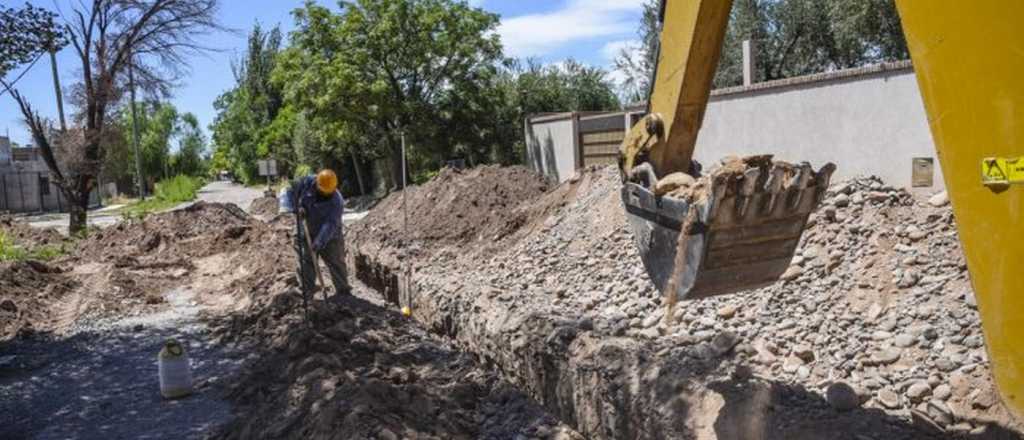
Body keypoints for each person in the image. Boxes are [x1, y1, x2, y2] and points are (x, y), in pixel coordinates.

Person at [282, 169, 350, 298]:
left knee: (336, 261)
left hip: (330, 235)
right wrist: (295, 208)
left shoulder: (337, 201)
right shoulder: (306, 182)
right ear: (317, 184)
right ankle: (307, 292)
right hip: (305, 228)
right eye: (322, 192)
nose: (325, 195)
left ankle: (343, 292)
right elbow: (288, 191)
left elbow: (330, 225)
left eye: (328, 193)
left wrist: (318, 242)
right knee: (305, 261)